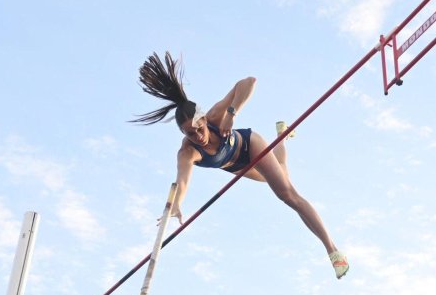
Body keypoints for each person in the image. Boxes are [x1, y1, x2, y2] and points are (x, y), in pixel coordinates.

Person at [131, 52, 349, 279]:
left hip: (250, 145)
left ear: (204, 119)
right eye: (190, 133)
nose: (198, 136)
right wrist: (176, 204)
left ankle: (333, 251)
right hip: (235, 166)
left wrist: (231, 114)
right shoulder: (187, 152)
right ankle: (282, 136)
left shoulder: (216, 115)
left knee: (288, 194)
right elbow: (183, 180)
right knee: (280, 172)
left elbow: (249, 82)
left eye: (199, 128)